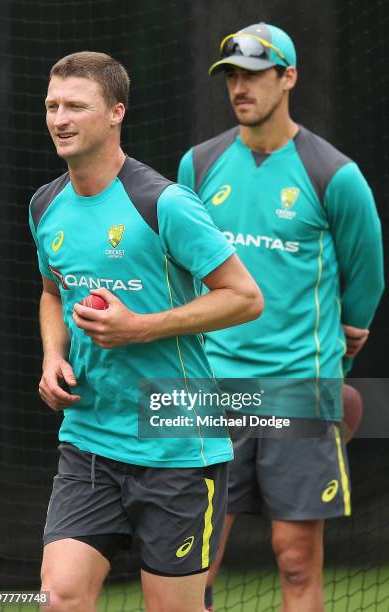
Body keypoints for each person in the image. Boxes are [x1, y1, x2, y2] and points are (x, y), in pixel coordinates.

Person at [29, 51, 264, 612]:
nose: (60, 119)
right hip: (88, 440)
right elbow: (52, 292)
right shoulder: (45, 206)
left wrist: (139, 328)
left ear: (115, 112)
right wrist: (52, 356)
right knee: (59, 597)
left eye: (75, 107)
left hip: (176, 441)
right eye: (52, 106)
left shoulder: (163, 203)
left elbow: (245, 297)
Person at [178, 23, 384, 612]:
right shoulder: (199, 164)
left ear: (288, 78)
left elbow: (365, 276)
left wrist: (339, 342)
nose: (240, 87)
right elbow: (184, 267)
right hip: (212, 388)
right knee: (193, 560)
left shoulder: (334, 176)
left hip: (298, 386)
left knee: (295, 561)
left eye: (254, 74)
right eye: (232, 76)